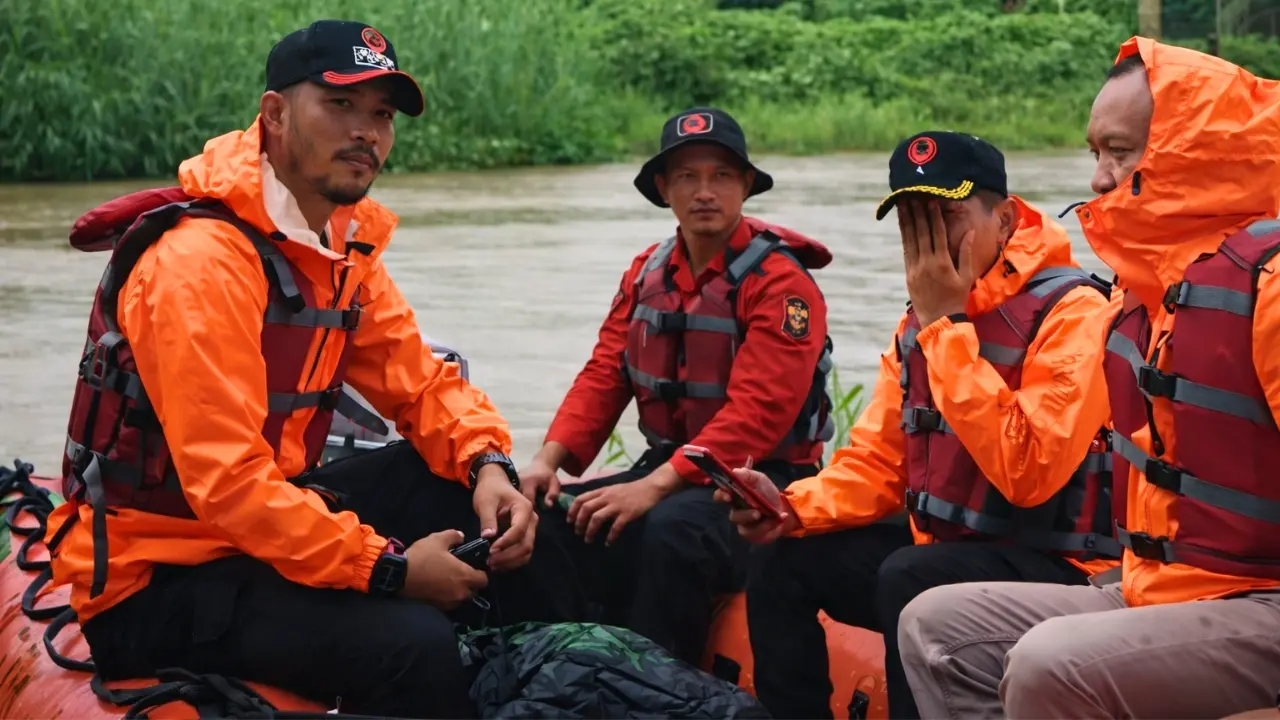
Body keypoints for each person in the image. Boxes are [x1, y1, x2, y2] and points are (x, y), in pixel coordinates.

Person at [46, 20, 583, 718]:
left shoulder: (336, 248)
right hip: (159, 577)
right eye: (340, 104)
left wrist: (489, 465)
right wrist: (389, 570)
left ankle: (585, 682)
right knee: (414, 645)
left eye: (382, 115)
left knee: (467, 491)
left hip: (260, 532)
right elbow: (230, 485)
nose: (366, 132)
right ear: (274, 114)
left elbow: (420, 383)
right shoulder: (199, 265)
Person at [896, 37, 1280, 720]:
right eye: (1095, 153)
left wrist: (946, 331)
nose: (1100, 178)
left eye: (1120, 152)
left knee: (1050, 661)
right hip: (1157, 586)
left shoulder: (1265, 286)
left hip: (1259, 599)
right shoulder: (1142, 295)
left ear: (1191, 151)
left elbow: (1027, 471)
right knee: (933, 623)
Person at [718, 130, 1121, 719]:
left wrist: (946, 328)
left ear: (1005, 219)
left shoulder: (1075, 312)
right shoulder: (919, 324)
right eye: (914, 221)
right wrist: (790, 507)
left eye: (947, 216)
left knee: (912, 576)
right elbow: (879, 463)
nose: (930, 242)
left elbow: (1029, 472)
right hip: (950, 550)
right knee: (784, 559)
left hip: (1059, 567)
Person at [517, 107, 836, 665]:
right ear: (664, 189)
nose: (704, 192)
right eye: (687, 176)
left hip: (761, 483)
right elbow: (604, 372)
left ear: (745, 186)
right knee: (549, 517)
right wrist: (548, 460)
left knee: (671, 530)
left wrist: (654, 487)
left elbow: (758, 413)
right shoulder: (647, 271)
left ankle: (663, 684)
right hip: (670, 466)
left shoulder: (781, 283)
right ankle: (565, 666)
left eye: (721, 176)